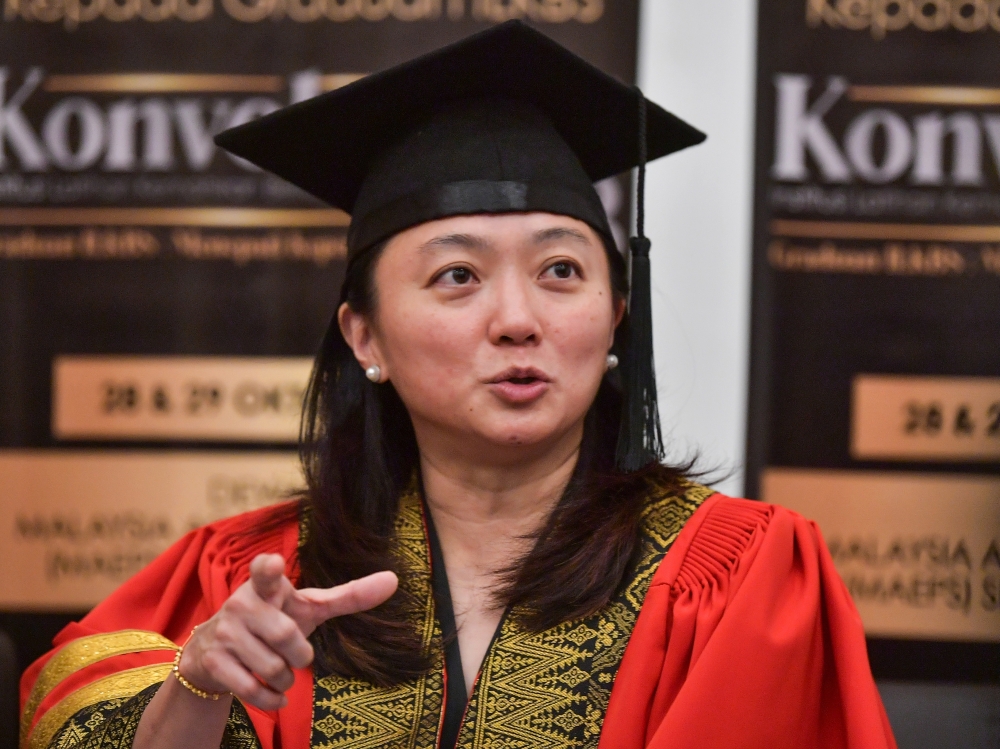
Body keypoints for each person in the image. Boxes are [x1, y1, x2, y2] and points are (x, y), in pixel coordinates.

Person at [19, 21, 896, 749]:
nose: (519, 318)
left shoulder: (744, 576)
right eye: (457, 277)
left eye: (561, 269)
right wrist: (199, 687)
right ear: (366, 336)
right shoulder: (245, 579)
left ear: (617, 315)